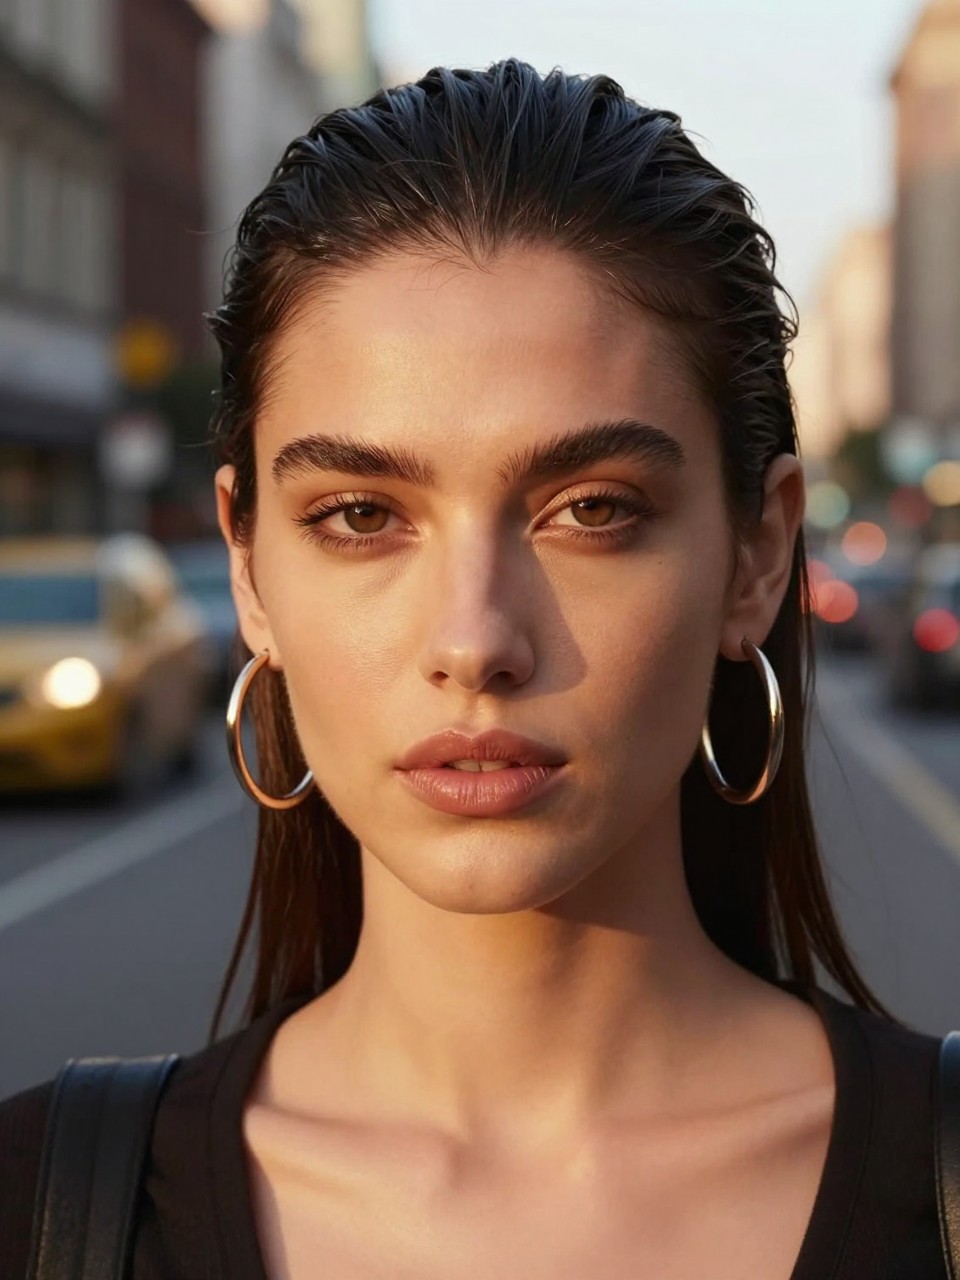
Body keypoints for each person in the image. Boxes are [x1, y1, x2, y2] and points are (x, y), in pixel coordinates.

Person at [0, 58, 947, 1278]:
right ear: (249, 568)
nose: (475, 640)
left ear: (757, 554)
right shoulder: (39, 1208)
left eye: (592, 508)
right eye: (359, 515)